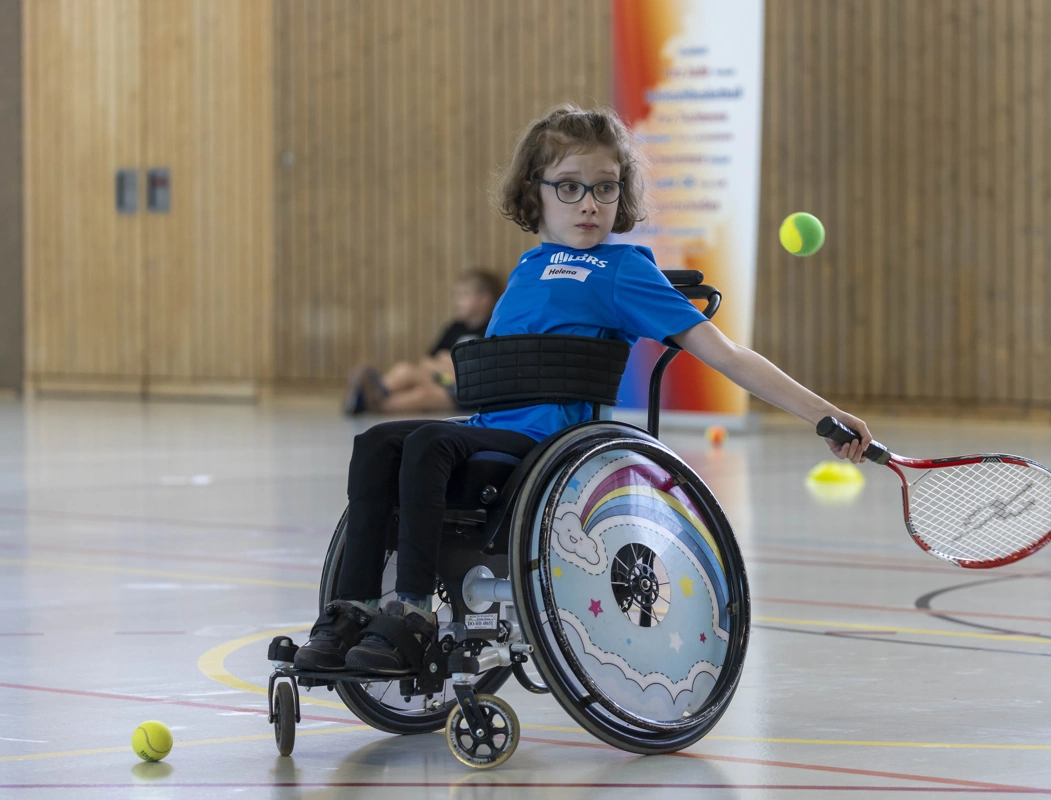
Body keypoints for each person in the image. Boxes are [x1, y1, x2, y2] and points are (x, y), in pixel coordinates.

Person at [295, 104, 874, 675]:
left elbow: (726, 355)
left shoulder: (624, 271)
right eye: (569, 188)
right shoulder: (528, 267)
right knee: (375, 442)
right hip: (489, 431)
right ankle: (351, 611)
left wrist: (824, 415)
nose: (590, 204)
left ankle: (412, 613)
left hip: (550, 447)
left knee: (426, 446)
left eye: (605, 188)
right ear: (535, 190)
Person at [343, 268, 504, 415]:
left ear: (485, 299)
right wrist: (448, 365)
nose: (457, 301)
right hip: (443, 378)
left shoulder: (493, 329)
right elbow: (427, 361)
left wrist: (448, 363)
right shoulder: (455, 327)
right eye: (457, 296)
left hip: (467, 392)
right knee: (405, 369)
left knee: (424, 394)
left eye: (463, 295)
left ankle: (367, 401)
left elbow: (480, 373)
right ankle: (373, 394)